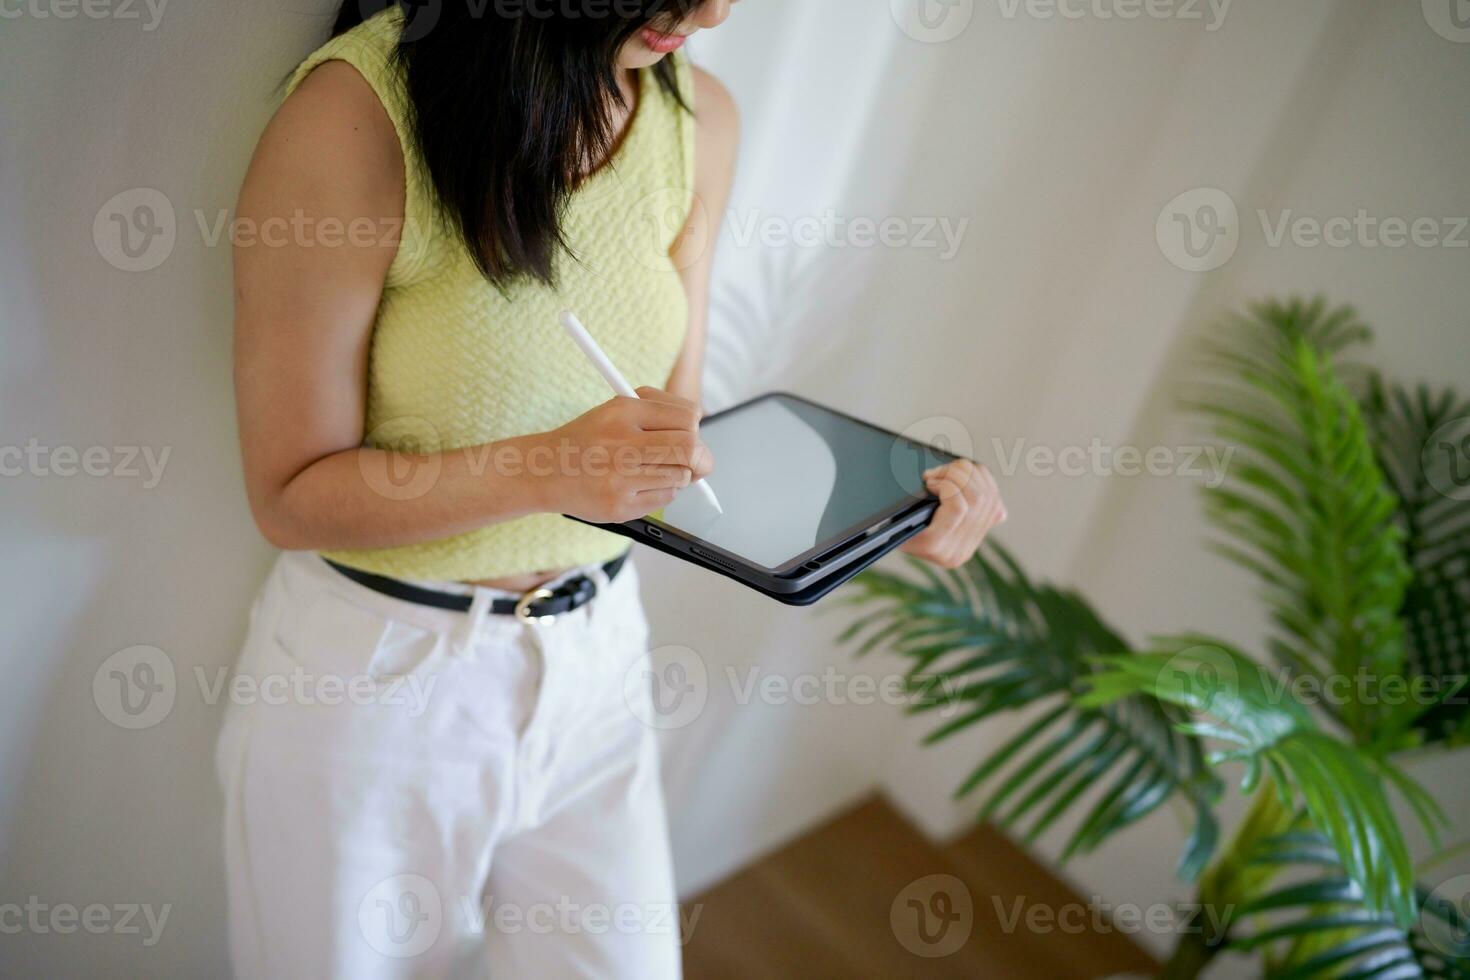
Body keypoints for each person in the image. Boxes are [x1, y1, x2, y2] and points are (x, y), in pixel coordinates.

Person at [217, 1, 1007, 976]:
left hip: (597, 661)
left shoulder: (699, 119)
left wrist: (882, 514)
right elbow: (289, 493)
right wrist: (547, 467)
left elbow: (674, 434)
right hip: (382, 683)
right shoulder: (354, 117)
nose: (713, 11)